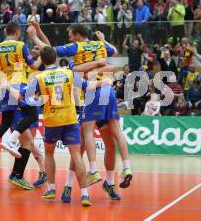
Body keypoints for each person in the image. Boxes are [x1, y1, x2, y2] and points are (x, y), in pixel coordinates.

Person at [29, 24, 133, 190]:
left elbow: (50, 51)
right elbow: (115, 52)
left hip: (92, 90)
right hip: (109, 91)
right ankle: (125, 167)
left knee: (86, 134)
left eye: (70, 34)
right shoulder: (100, 44)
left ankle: (92, 170)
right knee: (114, 135)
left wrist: (35, 36)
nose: (69, 37)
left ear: (77, 35)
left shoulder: (77, 47)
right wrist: (102, 43)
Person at [23, 46, 92, 206]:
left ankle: (51, 188)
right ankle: (84, 194)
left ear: (43, 60)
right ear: (55, 58)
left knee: (49, 153)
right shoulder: (68, 73)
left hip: (52, 120)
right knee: (76, 156)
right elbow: (87, 86)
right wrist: (105, 82)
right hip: (69, 118)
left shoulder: (40, 77)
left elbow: (26, 96)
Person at [0, 22, 42, 179]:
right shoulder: (21, 45)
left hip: (4, 88)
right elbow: (34, 66)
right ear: (18, 32)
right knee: (33, 116)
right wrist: (43, 56)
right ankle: (11, 142)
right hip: (20, 86)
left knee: (5, 122)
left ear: (5, 31)